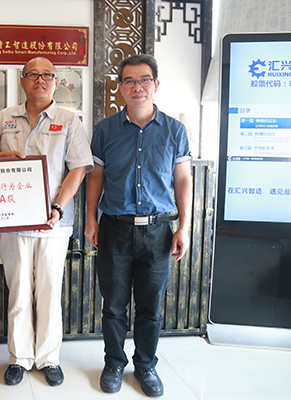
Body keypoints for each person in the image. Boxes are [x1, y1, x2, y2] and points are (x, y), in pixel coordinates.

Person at [85, 54, 193, 397]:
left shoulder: (175, 130)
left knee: (150, 306)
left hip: (158, 231)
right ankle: (114, 363)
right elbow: (96, 176)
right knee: (113, 305)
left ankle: (146, 365)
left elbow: (183, 179)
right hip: (115, 227)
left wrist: (184, 226)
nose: (137, 87)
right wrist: (90, 219)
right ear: (120, 88)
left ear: (155, 85)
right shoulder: (105, 129)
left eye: (144, 80)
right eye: (129, 81)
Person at [0, 57, 93, 387]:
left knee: (48, 290)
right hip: (11, 221)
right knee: (18, 292)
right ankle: (19, 358)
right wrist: (6, 156)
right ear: (22, 81)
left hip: (53, 222)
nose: (39, 80)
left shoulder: (69, 121)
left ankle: (48, 358)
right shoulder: (3, 118)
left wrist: (58, 206)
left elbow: (78, 169)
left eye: (47, 75)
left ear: (56, 82)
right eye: (32, 75)